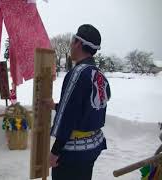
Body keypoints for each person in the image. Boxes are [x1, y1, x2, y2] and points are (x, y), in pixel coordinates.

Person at [43, 24, 111, 180]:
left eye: (72, 41)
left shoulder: (77, 74)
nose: (70, 45)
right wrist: (54, 106)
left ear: (78, 43)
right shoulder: (99, 75)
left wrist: (55, 152)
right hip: (93, 146)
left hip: (74, 152)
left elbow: (68, 117)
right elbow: (86, 107)